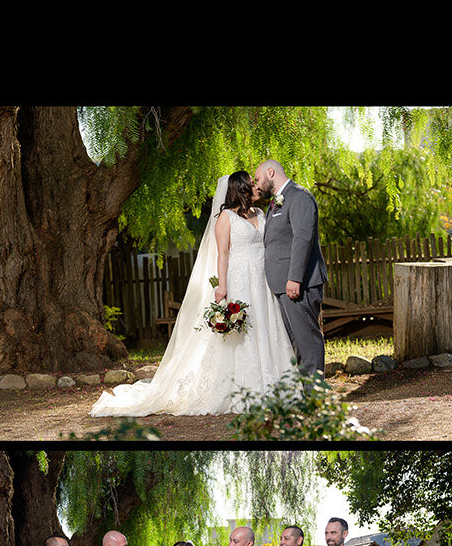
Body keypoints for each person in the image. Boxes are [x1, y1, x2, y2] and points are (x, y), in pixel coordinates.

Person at [90, 171, 301, 417]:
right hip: (240, 279)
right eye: (251, 183)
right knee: (245, 331)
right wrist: (222, 286)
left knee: (266, 326)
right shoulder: (226, 218)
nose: (256, 186)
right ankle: (244, 387)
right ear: (241, 189)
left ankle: (276, 384)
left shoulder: (261, 214)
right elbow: (222, 254)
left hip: (262, 280)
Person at [253, 160, 329, 387]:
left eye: (258, 179)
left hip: (299, 284)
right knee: (296, 340)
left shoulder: (299, 197)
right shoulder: (276, 203)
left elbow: (303, 238)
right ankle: (307, 391)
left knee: (306, 338)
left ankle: (315, 393)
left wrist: (294, 278)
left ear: (270, 172)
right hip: (283, 284)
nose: (257, 185)